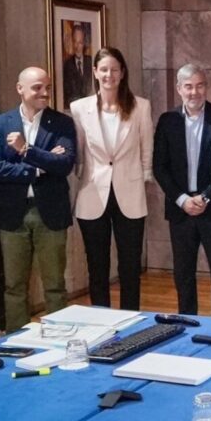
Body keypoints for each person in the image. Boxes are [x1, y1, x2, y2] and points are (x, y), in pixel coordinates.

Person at [0, 67, 76, 331]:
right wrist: (37, 166)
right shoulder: (0, 124)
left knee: (55, 286)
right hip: (13, 213)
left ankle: (59, 339)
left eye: (47, 87)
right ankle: (15, 342)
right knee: (14, 286)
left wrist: (26, 150)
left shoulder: (61, 123)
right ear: (20, 89)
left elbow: (64, 164)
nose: (44, 93)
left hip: (50, 212)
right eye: (37, 87)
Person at [71, 47, 153, 311]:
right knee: (97, 266)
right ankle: (101, 319)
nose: (109, 74)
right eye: (103, 69)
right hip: (92, 194)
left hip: (129, 193)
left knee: (129, 266)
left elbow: (146, 148)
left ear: (122, 73)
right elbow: (80, 152)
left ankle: (131, 319)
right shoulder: (79, 108)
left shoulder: (140, 106)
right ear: (95, 72)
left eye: (114, 69)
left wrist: (144, 177)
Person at [153, 63, 211, 317]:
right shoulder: (167, 121)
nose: (194, 92)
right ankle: (187, 321)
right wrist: (181, 199)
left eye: (199, 85)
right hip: (180, 210)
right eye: (188, 86)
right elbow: (159, 167)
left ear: (206, 87)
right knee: (183, 273)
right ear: (179, 89)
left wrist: (206, 197)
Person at [62, 24, 94, 105]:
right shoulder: (67, 65)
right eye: (75, 41)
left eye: (80, 42)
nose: (77, 46)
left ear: (84, 44)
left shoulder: (91, 62)